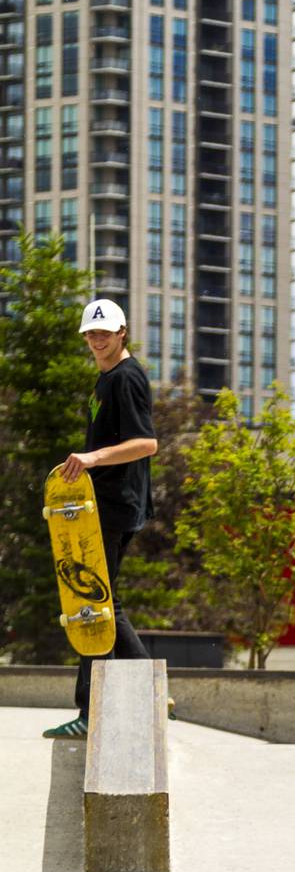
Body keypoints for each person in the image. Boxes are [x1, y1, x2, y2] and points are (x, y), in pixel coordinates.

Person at [43, 298, 157, 740]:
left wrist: (91, 458)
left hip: (114, 504)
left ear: (122, 332)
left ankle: (92, 710)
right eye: (91, 334)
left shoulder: (126, 378)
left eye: (104, 333)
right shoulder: (105, 377)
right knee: (99, 602)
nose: (97, 341)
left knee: (92, 603)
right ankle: (143, 687)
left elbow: (146, 443)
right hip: (105, 502)